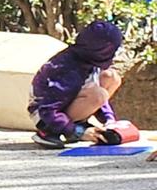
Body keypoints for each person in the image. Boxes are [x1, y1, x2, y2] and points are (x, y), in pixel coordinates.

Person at [30, 19, 135, 147]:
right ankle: (48, 132)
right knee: (98, 94)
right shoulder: (68, 69)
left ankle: (76, 122)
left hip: (61, 106)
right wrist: (76, 131)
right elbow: (47, 109)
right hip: (45, 117)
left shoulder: (88, 56)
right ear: (101, 49)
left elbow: (94, 85)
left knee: (111, 77)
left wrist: (109, 120)